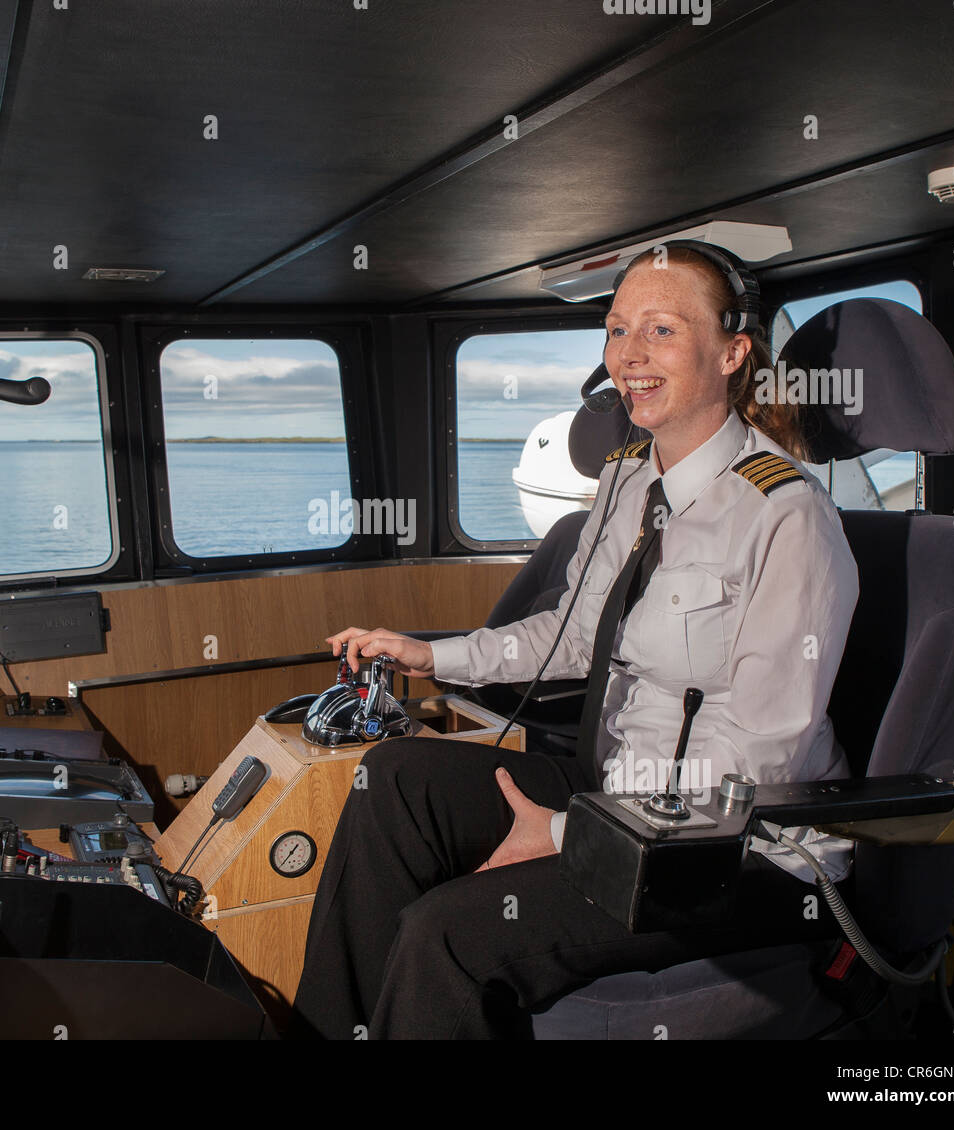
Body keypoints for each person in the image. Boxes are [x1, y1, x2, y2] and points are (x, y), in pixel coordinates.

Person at [290, 243, 861, 1040]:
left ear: (732, 354)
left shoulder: (788, 517)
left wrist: (566, 834)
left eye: (661, 330)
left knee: (446, 932)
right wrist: (432, 654)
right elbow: (568, 637)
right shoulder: (630, 479)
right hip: (621, 793)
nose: (629, 355)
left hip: (739, 851)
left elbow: (758, 761)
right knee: (392, 779)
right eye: (617, 329)